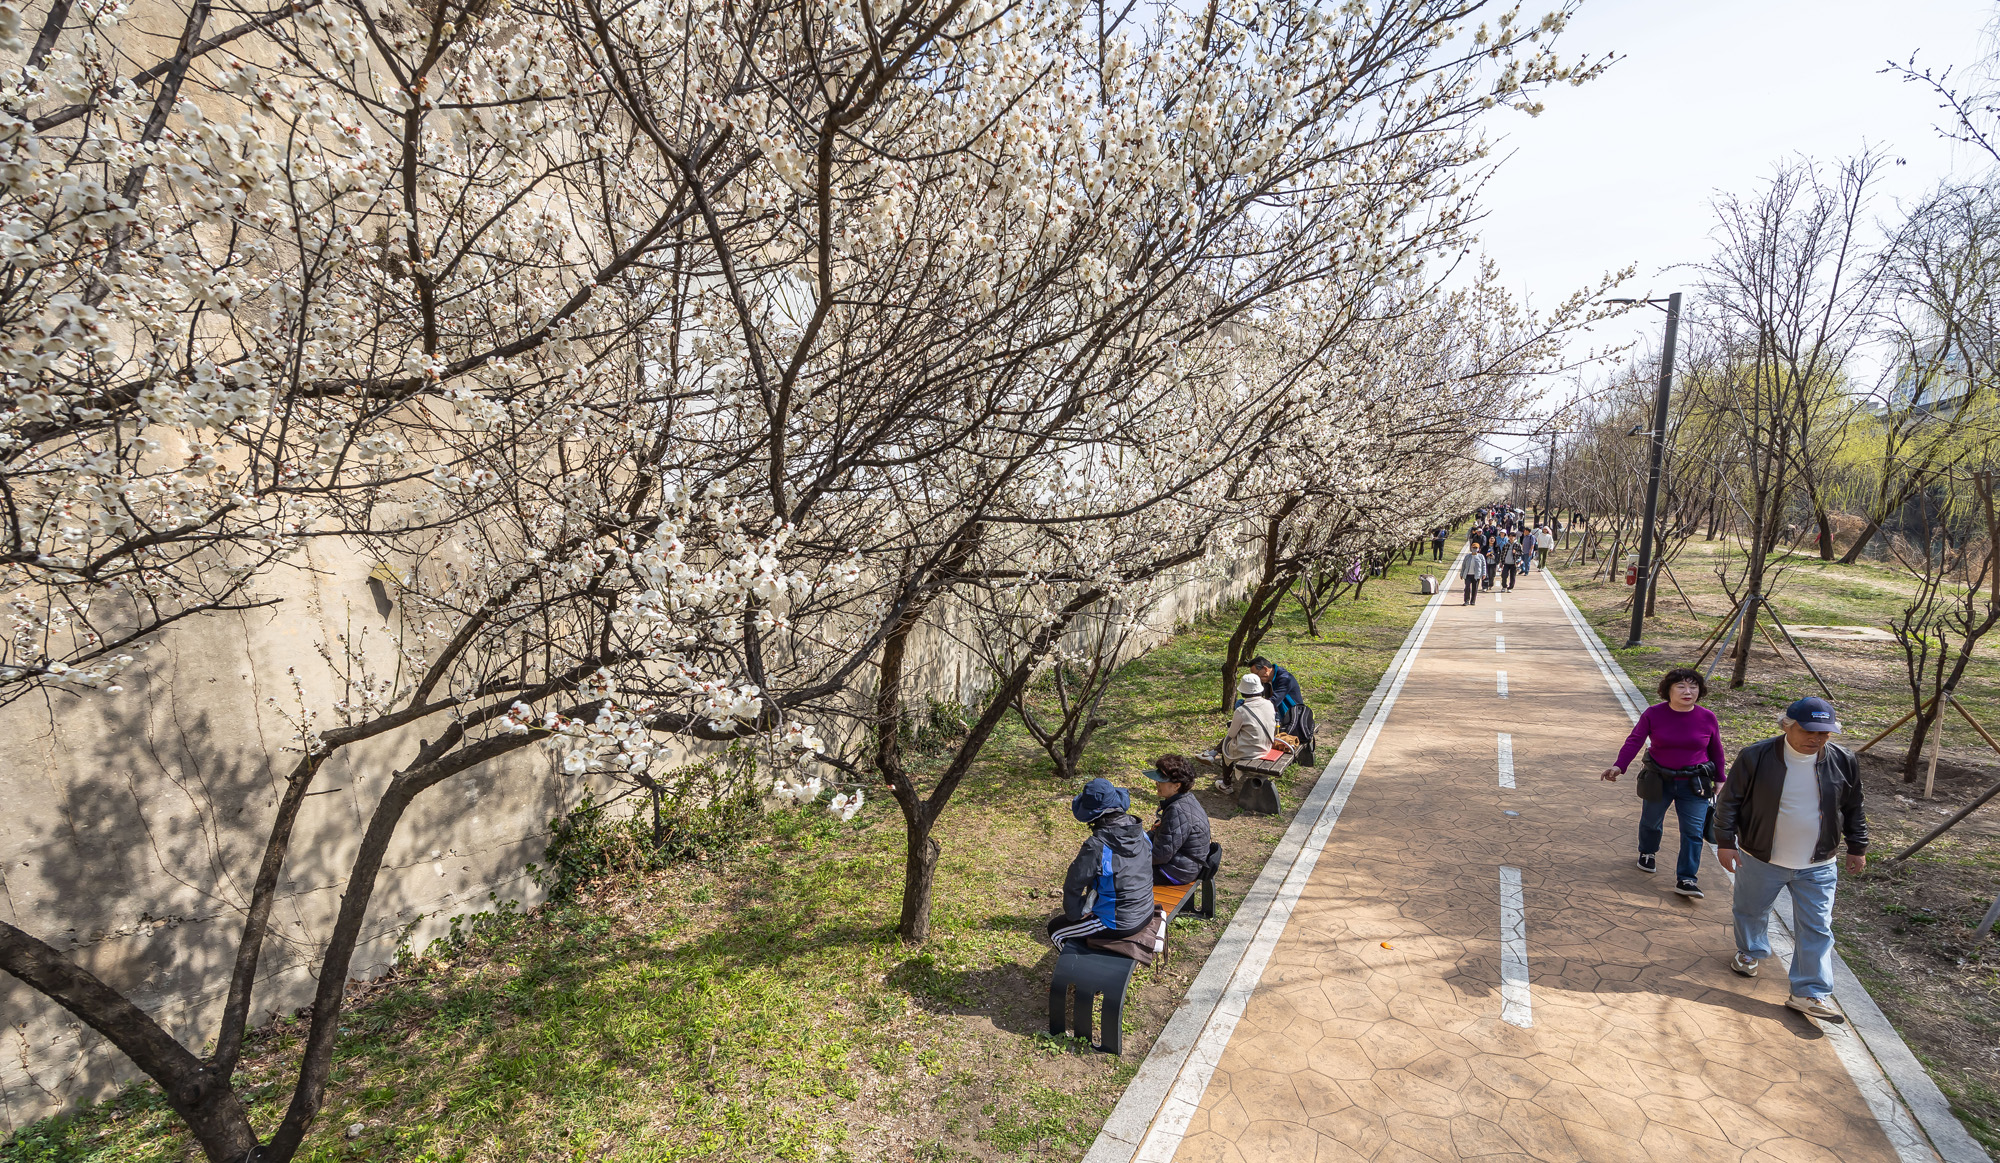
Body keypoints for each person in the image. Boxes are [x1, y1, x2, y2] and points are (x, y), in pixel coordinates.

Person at [1712, 698, 1868, 1022]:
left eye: (1824, 733)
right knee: (1751, 910)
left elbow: (1854, 808)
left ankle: (1809, 992)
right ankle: (1750, 952)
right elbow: (1729, 802)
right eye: (1808, 730)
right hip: (1761, 858)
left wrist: (1858, 846)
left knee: (1817, 927)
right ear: (1786, 725)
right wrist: (1725, 842)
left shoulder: (1843, 760)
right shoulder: (1755, 756)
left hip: (1819, 863)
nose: (1816, 738)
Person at [1600, 668, 1727, 897]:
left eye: (1693, 687)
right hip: (1659, 779)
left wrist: (1720, 778)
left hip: (1694, 783)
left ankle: (1687, 878)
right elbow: (1635, 740)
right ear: (1668, 690)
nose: (1688, 691)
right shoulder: (1653, 714)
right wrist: (1620, 765)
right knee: (1651, 822)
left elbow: (1716, 749)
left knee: (1693, 831)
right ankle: (1647, 852)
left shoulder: (1707, 717)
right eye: (1681, 686)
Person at [1046, 777, 1156, 949]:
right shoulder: (1139, 832)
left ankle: (1076, 972)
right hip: (1146, 909)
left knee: (1056, 930)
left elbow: (1073, 884)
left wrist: (1075, 914)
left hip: (1119, 922)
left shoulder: (1097, 845)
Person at [1148, 756, 1212, 885]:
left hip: (1176, 871)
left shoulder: (1177, 810)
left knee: (1121, 872)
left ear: (1177, 786)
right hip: (1184, 865)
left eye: (1161, 781)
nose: (1156, 783)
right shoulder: (1186, 799)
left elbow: (1160, 855)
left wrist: (1133, 856)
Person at [1218, 672, 1277, 786]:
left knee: (1227, 750)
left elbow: (1232, 734)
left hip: (1250, 752)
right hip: (1267, 746)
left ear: (1243, 692)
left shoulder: (1241, 710)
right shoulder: (1269, 704)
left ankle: (1226, 784)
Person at [1460, 538, 1487, 605]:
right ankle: (1466, 600)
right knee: (1467, 587)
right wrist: (1462, 573)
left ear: (1478, 549)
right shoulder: (1467, 556)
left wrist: (1484, 574)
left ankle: (1473, 601)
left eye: (1476, 548)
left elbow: (1483, 565)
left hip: (1476, 575)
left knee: (1474, 589)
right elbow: (1463, 565)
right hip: (1468, 575)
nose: (1474, 549)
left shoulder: (1481, 556)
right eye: (1473, 547)